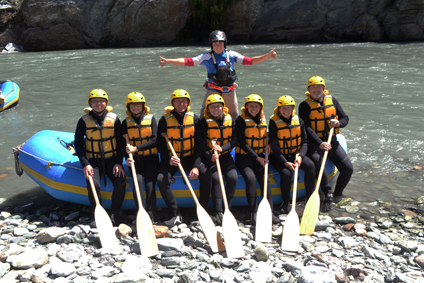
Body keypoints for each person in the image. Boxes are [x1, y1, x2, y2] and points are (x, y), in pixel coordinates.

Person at [159, 30, 277, 120]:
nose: (218, 46)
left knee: (233, 115)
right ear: (212, 45)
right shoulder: (207, 56)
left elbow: (250, 61)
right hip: (213, 89)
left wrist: (267, 55)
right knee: (205, 113)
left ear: (224, 44)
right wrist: (168, 61)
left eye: (220, 44)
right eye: (215, 44)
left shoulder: (232, 55)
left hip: (229, 90)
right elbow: (188, 61)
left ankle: (233, 140)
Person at [156, 89, 212, 226]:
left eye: (184, 101)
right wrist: (168, 158)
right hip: (172, 158)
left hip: (190, 157)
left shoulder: (195, 119)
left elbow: (199, 144)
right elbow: (160, 145)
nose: (181, 103)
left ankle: (202, 209)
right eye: (178, 101)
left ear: (188, 103)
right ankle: (176, 213)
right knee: (161, 179)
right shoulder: (164, 120)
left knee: (206, 174)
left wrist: (196, 166)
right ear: (173, 103)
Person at [298, 76, 354, 212]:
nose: (316, 90)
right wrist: (320, 143)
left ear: (324, 89)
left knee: (348, 168)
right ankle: (327, 194)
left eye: (319, 87)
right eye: (313, 87)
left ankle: (338, 194)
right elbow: (307, 128)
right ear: (309, 90)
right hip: (314, 143)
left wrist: (339, 123)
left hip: (332, 141)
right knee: (317, 161)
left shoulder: (332, 100)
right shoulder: (304, 106)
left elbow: (345, 118)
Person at [74, 89, 126, 225]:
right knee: (94, 184)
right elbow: (78, 144)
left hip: (112, 160)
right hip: (93, 160)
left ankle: (115, 212)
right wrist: (86, 164)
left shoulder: (114, 119)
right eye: (95, 101)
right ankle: (98, 210)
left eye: (101, 101)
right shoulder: (83, 121)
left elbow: (120, 143)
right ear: (90, 103)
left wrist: (119, 162)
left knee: (120, 182)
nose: (98, 104)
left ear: (106, 103)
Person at [235, 94, 280, 224]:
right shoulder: (240, 120)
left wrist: (269, 144)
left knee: (265, 179)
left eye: (256, 106)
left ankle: (270, 211)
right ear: (246, 107)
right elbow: (242, 143)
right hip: (244, 156)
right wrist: (257, 158)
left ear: (260, 108)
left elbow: (268, 136)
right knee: (250, 178)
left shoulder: (264, 119)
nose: (254, 108)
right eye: (251, 106)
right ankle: (253, 212)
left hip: (260, 155)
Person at [269, 95, 316, 214]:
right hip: (278, 156)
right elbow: (274, 144)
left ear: (292, 109)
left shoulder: (299, 121)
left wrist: (300, 157)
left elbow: (305, 142)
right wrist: (285, 162)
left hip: (295, 153)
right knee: (286, 173)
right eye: (283, 108)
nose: (286, 111)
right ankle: (285, 202)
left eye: (288, 108)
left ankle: (309, 198)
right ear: (278, 109)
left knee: (310, 166)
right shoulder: (273, 122)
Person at [200, 94, 238, 225]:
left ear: (223, 107)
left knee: (233, 177)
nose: (216, 109)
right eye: (213, 107)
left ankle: (227, 207)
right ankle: (218, 211)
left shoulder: (230, 120)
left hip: (225, 155)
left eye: (218, 106)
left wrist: (223, 148)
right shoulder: (204, 122)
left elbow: (235, 140)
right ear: (208, 109)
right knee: (216, 178)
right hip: (210, 157)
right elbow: (201, 144)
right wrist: (209, 155)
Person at [122, 92, 159, 222]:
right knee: (137, 181)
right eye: (132, 105)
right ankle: (140, 210)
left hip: (151, 158)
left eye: (138, 105)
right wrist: (127, 157)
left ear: (143, 106)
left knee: (150, 184)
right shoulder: (125, 123)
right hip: (135, 160)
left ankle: (151, 213)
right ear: (129, 107)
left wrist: (136, 148)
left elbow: (155, 140)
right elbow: (123, 146)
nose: (135, 108)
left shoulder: (151, 119)